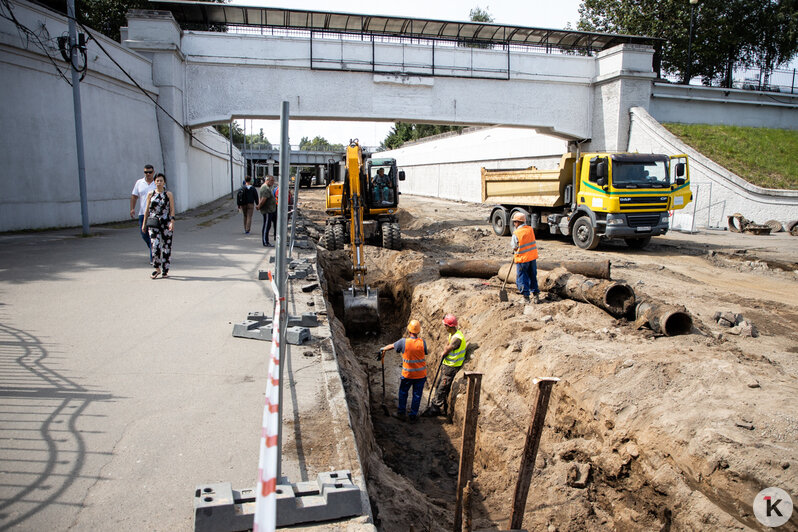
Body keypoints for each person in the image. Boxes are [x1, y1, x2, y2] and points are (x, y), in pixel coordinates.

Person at [378, 319, 427, 423]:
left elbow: (391, 346)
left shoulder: (403, 342)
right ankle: (413, 416)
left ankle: (401, 413)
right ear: (418, 331)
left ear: (409, 330)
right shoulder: (423, 343)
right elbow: (425, 352)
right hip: (421, 375)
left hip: (408, 375)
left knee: (403, 392)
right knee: (417, 395)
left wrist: (383, 349)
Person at [425, 314, 467, 417]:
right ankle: (437, 404)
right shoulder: (453, 334)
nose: (444, 327)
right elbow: (447, 344)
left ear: (449, 326)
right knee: (439, 384)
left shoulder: (457, 338)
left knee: (442, 387)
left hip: (452, 367)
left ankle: (435, 408)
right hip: (447, 365)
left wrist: (444, 352)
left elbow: (448, 348)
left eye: (445, 325)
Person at [142, 173, 175, 279]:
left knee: (166, 246)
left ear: (164, 182)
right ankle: (157, 268)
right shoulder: (150, 194)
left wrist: (172, 221)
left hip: (166, 222)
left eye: (161, 180)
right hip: (153, 222)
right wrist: (144, 223)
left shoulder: (168, 194)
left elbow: (172, 209)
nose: (159, 183)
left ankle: (165, 269)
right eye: (157, 181)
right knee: (155, 245)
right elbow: (147, 209)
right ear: (154, 182)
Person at [511, 212, 540, 304]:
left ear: (518, 222)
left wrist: (515, 251)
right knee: (532, 276)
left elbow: (514, 246)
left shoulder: (516, 233)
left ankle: (526, 297)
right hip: (532, 258)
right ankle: (536, 296)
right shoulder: (530, 229)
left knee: (522, 277)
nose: (514, 224)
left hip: (522, 259)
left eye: (515, 222)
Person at [130, 164, 156, 259]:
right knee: (144, 234)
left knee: (153, 235)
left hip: (154, 214)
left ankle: (153, 257)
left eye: (150, 172)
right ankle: (155, 250)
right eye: (146, 172)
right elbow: (134, 196)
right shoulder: (139, 183)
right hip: (142, 213)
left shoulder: (157, 182)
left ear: (153, 172)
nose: (148, 174)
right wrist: (132, 208)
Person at [257, 175, 277, 247]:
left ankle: (269, 239)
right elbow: (263, 199)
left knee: (269, 224)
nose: (273, 182)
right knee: (266, 225)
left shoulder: (267, 187)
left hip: (270, 210)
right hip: (267, 210)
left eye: (273, 181)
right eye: (271, 181)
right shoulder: (265, 188)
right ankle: (265, 242)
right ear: (267, 180)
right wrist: (259, 206)